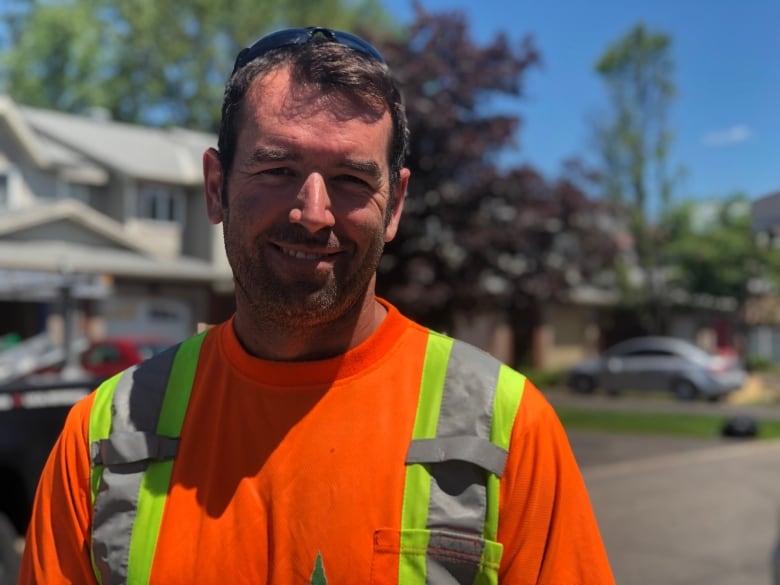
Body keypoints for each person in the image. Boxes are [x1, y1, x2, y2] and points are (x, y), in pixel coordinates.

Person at [19, 26, 615, 584]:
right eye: (278, 168)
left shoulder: (509, 431)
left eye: (352, 179)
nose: (313, 212)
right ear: (215, 186)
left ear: (396, 204)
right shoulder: (102, 440)